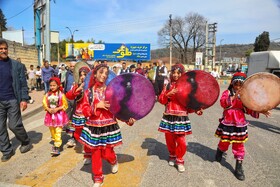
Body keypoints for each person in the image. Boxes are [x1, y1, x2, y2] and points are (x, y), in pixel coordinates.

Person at [78, 64, 135, 187]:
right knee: (96, 153)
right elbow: (85, 109)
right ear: (95, 74)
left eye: (106, 74)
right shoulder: (88, 92)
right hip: (94, 127)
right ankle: (98, 177)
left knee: (107, 152)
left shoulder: (111, 92)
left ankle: (113, 160)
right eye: (101, 72)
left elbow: (118, 110)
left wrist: (127, 120)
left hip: (109, 126)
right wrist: (96, 106)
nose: (103, 75)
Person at [214, 72, 271, 181]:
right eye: (236, 84)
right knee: (224, 142)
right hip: (227, 122)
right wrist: (234, 97)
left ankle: (238, 167)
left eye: (241, 84)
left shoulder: (246, 96)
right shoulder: (227, 92)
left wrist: (262, 110)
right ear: (232, 84)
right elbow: (223, 103)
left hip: (239, 123)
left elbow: (250, 108)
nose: (238, 86)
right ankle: (220, 151)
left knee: (239, 145)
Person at [158, 63, 203, 173]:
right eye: (173, 72)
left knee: (181, 140)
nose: (175, 75)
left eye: (178, 73)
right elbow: (161, 99)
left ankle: (180, 160)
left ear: (182, 74)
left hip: (181, 116)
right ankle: (172, 155)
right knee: (169, 139)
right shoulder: (167, 85)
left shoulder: (186, 87)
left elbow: (189, 103)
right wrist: (168, 94)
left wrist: (196, 110)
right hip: (169, 115)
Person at [0, 39, 32, 162]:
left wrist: (24, 99)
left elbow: (23, 84)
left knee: (14, 125)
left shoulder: (16, 65)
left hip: (13, 99)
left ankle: (26, 141)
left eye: (5, 48)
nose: (3, 51)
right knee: (0, 128)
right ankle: (7, 150)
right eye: (1, 49)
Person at [65, 66, 92, 165]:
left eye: (85, 75)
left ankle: (88, 155)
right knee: (78, 135)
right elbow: (68, 96)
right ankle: (89, 151)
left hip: (89, 115)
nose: (82, 77)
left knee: (88, 135)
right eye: (81, 75)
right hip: (79, 114)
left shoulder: (92, 87)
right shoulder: (77, 85)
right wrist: (78, 89)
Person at [43, 77, 69, 156]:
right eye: (50, 85)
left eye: (54, 85)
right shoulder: (47, 94)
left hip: (59, 116)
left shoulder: (61, 95)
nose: (52, 87)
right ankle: (55, 141)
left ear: (58, 85)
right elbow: (44, 103)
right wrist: (48, 109)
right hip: (50, 115)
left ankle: (57, 146)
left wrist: (58, 108)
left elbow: (65, 105)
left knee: (58, 130)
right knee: (52, 130)